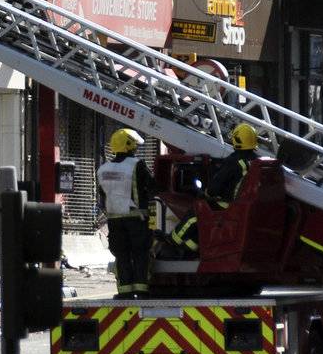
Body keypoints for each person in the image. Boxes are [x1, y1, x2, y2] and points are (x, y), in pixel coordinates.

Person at [164, 122, 260, 257]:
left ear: (236, 139)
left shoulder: (234, 162)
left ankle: (173, 241)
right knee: (205, 218)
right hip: (246, 205)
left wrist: (205, 194)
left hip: (228, 204)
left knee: (198, 210)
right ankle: (190, 247)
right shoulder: (257, 161)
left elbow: (215, 188)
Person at [97, 128, 154, 297]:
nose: (136, 147)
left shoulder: (103, 169)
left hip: (114, 220)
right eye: (134, 144)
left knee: (121, 255)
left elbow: (103, 193)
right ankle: (141, 290)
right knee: (140, 254)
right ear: (129, 145)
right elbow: (152, 187)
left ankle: (124, 292)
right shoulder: (137, 165)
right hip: (137, 219)